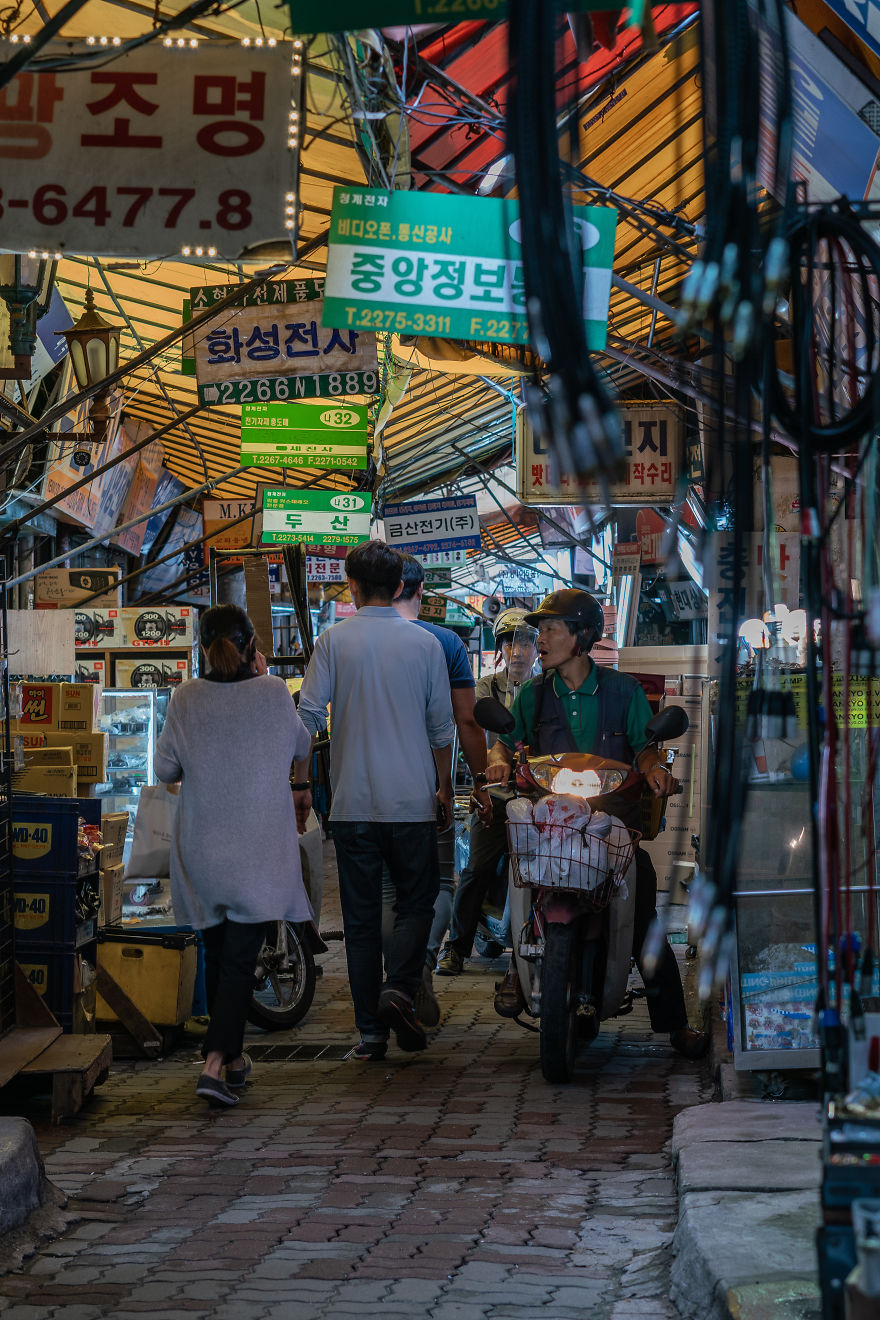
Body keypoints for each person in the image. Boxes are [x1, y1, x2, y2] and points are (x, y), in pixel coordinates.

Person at [485, 589, 709, 1061]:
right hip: (550, 827)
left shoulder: (621, 691)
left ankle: (674, 1023)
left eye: (550, 629)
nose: (539, 639)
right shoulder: (532, 693)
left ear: (582, 636)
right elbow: (505, 742)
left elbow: (645, 745)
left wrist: (652, 769)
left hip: (611, 824)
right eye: (539, 629)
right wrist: (498, 760)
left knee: (644, 906)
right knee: (516, 866)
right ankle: (516, 962)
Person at [294, 539, 455, 1061]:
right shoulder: (426, 644)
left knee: (361, 924)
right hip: (412, 801)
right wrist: (445, 786)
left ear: (353, 585)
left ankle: (370, 1034)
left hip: (352, 804)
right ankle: (399, 990)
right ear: (401, 587)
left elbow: (309, 719)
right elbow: (440, 729)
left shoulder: (334, 642)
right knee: (418, 902)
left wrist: (297, 781)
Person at [155, 603, 314, 1107]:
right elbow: (303, 744)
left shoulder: (184, 697)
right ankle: (215, 1063)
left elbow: (164, 770)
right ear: (251, 648)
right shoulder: (271, 693)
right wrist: (267, 679)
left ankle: (237, 1059)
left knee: (222, 953)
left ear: (202, 648)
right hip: (258, 848)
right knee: (239, 959)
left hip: (201, 847)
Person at [384, 553, 491, 1023]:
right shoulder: (445, 643)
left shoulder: (347, 642)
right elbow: (465, 720)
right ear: (419, 591)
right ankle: (421, 965)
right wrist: (477, 781)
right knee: (439, 880)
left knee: (389, 892)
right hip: (429, 784)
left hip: (367, 789)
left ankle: (396, 979)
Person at [436, 608, 538, 976]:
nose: (518, 651)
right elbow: (472, 729)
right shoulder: (486, 688)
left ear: (537, 648)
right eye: (510, 642)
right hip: (496, 794)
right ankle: (456, 948)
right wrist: (485, 779)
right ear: (501, 649)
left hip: (540, 794)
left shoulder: (545, 689)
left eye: (526, 642)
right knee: (477, 867)